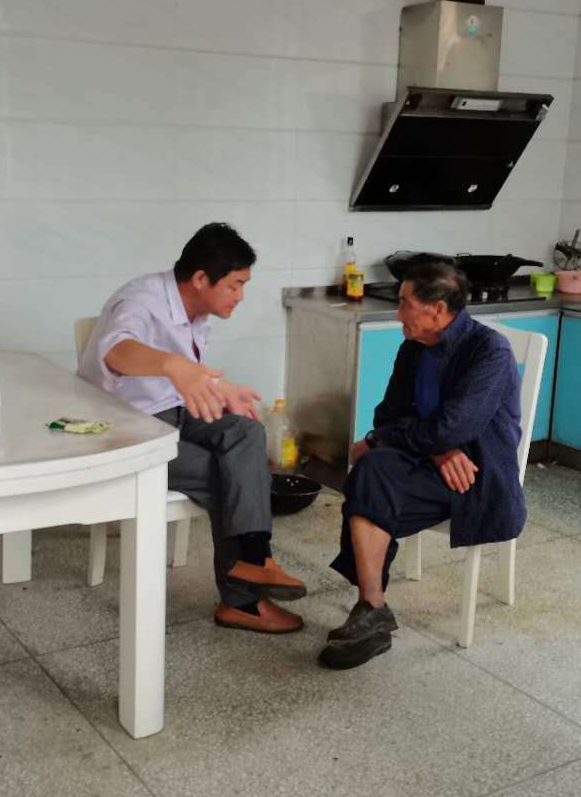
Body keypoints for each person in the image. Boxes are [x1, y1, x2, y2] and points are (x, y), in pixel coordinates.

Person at [78, 223, 307, 633]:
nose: (240, 296)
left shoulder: (197, 310)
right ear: (201, 278)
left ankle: (255, 559)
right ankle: (243, 601)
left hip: (172, 412)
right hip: (123, 431)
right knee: (228, 475)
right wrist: (174, 366)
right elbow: (117, 352)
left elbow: (184, 378)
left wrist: (220, 389)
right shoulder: (140, 300)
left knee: (246, 432)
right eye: (235, 285)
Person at [321, 259, 527, 669]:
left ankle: (370, 615)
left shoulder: (490, 351)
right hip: (432, 461)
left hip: (476, 477)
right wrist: (436, 448)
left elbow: (451, 428)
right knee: (369, 472)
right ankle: (373, 606)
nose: (398, 314)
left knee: (371, 482)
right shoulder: (413, 347)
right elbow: (389, 416)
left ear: (437, 309)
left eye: (404, 304)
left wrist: (404, 439)